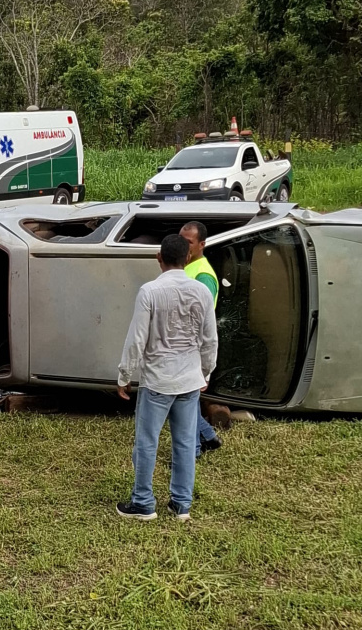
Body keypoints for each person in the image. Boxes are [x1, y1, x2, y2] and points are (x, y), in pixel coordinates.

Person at [115, 234, 218, 522]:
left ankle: (143, 502)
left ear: (158, 258)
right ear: (188, 257)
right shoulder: (202, 292)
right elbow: (210, 339)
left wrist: (125, 374)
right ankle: (181, 504)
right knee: (185, 442)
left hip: (157, 380)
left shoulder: (150, 291)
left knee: (147, 442)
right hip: (189, 379)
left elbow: (137, 339)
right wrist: (206, 371)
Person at [180, 221, 226, 458]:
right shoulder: (185, 267)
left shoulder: (203, 275)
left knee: (184, 403)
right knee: (183, 402)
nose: (183, 246)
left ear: (201, 244)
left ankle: (195, 450)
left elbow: (202, 322)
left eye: (188, 242)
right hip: (183, 350)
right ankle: (207, 436)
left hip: (193, 350)